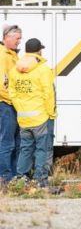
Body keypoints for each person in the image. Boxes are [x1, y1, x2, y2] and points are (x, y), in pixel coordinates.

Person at [9, 38, 55, 187]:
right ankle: (40, 179)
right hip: (40, 117)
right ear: (39, 51)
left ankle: (22, 178)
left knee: (25, 148)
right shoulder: (43, 69)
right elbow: (48, 94)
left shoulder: (14, 69)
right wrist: (51, 113)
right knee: (42, 149)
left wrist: (20, 108)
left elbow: (12, 93)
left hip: (23, 118)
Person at [0, 25, 22, 183]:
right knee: (7, 143)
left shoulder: (12, 55)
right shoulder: (2, 56)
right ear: (7, 37)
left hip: (14, 105)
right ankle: (5, 178)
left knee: (16, 143)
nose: (19, 41)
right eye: (17, 38)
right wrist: (13, 100)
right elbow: (2, 84)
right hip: (6, 104)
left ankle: (14, 176)